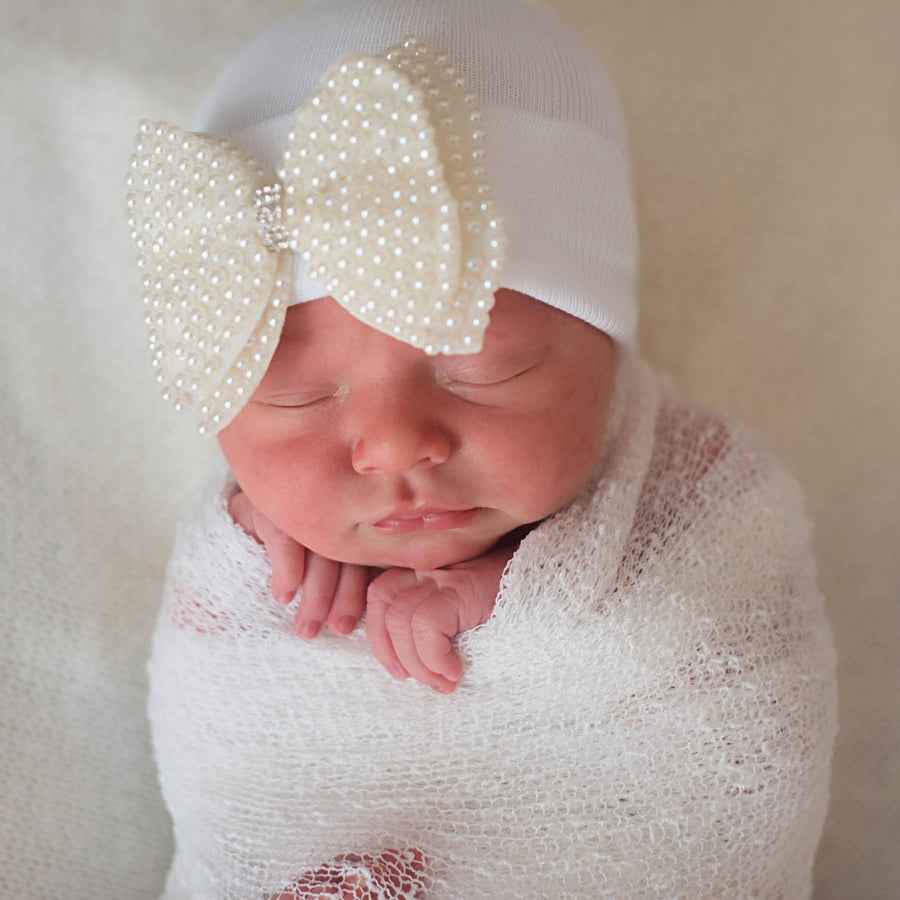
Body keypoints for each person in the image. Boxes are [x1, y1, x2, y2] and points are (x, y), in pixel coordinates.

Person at [126, 1, 837, 897]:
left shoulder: (702, 490)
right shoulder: (248, 542)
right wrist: (247, 550)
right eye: (295, 397)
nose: (393, 445)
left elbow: (741, 689)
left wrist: (515, 603)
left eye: (481, 373)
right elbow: (223, 721)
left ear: (604, 354)